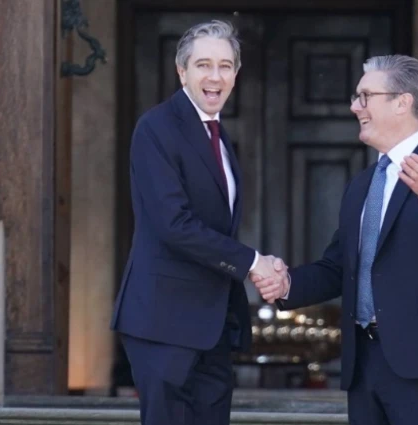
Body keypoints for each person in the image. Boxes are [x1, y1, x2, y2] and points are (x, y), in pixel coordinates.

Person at [254, 54, 418, 425]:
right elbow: (338, 266)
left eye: (365, 96)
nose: (354, 106)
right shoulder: (362, 184)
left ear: (402, 102)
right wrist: (287, 284)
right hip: (365, 362)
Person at [110, 20, 286, 425]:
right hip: (164, 323)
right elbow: (174, 223)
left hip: (212, 326)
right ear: (181, 71)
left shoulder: (219, 136)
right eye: (203, 64)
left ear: (236, 76)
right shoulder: (156, 128)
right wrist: (253, 263)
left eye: (225, 66)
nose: (215, 76)